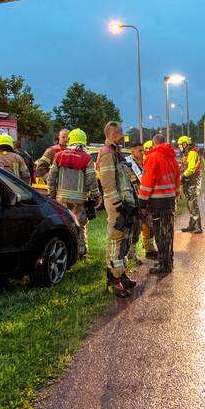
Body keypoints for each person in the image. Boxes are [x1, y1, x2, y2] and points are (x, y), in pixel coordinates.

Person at [97, 121, 139, 297]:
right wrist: (119, 206)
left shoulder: (115, 153)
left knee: (123, 241)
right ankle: (114, 282)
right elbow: (107, 184)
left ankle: (120, 275)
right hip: (118, 206)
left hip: (125, 205)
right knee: (115, 241)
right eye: (121, 133)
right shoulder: (107, 154)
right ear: (114, 135)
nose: (123, 136)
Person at [48, 129, 99, 259]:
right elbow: (91, 179)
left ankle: (63, 252)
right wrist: (95, 195)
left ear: (70, 140)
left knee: (63, 225)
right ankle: (81, 252)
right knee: (81, 225)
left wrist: (52, 194)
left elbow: (52, 177)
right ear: (84, 142)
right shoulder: (86, 158)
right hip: (79, 200)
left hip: (61, 198)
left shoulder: (59, 156)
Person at [139, 133, 181, 274]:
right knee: (168, 231)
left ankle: (164, 264)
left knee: (159, 232)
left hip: (157, 201)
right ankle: (169, 259)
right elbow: (177, 178)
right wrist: (176, 193)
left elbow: (147, 180)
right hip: (170, 200)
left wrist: (142, 200)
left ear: (154, 143)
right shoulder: (171, 157)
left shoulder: (152, 157)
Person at [124, 141, 156, 263]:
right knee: (135, 227)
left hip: (146, 198)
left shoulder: (144, 162)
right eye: (140, 150)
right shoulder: (128, 163)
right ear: (132, 151)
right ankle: (131, 254)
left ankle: (149, 249)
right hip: (134, 198)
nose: (143, 153)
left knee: (149, 223)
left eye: (143, 150)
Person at [178, 136, 203, 234]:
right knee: (189, 204)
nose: (179, 147)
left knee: (193, 204)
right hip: (188, 182)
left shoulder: (192, 153)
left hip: (193, 182)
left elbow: (191, 168)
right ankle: (192, 225)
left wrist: (182, 176)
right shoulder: (187, 154)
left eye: (180, 145)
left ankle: (198, 226)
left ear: (185, 144)